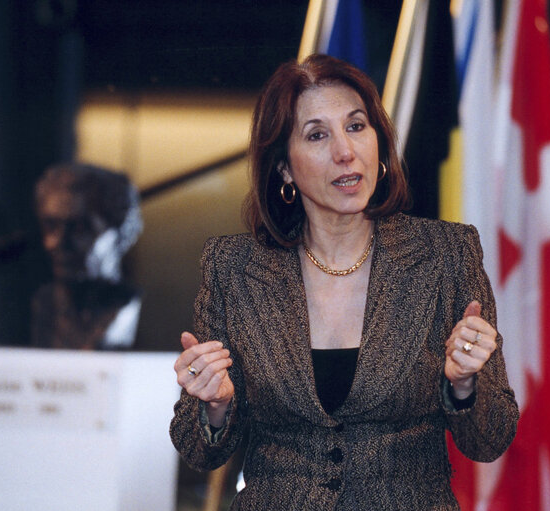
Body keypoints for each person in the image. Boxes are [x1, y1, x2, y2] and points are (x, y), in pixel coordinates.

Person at [170, 54, 518, 510]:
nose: (345, 151)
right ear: (284, 169)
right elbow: (198, 449)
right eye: (318, 135)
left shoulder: (446, 254)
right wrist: (214, 407)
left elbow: (491, 440)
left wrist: (464, 384)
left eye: (356, 127)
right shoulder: (234, 268)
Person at [32, 163, 143, 349]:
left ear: (122, 233)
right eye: (51, 225)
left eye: (80, 228)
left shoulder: (151, 315)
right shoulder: (40, 307)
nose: (57, 243)